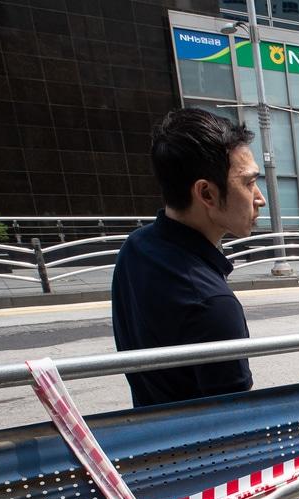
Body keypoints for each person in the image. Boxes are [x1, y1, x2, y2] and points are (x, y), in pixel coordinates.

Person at [111, 109, 264, 408]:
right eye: (248, 183)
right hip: (201, 451)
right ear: (206, 193)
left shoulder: (136, 248)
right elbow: (235, 422)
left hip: (153, 433)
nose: (259, 197)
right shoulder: (211, 303)